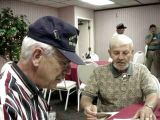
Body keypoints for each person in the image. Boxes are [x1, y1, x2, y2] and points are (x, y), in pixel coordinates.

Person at [0, 16, 84, 120]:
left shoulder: (32, 86)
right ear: (37, 56)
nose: (68, 71)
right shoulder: (5, 106)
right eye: (63, 63)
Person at [81, 34, 159, 120]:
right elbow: (86, 96)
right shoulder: (98, 72)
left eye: (125, 53)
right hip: (107, 117)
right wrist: (88, 106)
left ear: (132, 53)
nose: (121, 57)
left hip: (134, 117)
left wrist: (148, 107)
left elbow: (152, 93)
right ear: (109, 53)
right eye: (116, 53)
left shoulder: (141, 70)